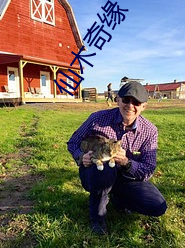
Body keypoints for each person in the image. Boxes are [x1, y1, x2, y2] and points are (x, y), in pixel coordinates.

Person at [67, 82, 167, 235]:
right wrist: (81, 157)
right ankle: (98, 218)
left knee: (157, 205)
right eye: (126, 100)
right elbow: (73, 142)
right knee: (105, 168)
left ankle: (118, 198)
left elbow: (148, 169)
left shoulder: (150, 131)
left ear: (144, 106)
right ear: (118, 100)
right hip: (96, 172)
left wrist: (127, 163)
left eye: (136, 102)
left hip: (127, 177)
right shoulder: (97, 119)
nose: (130, 106)